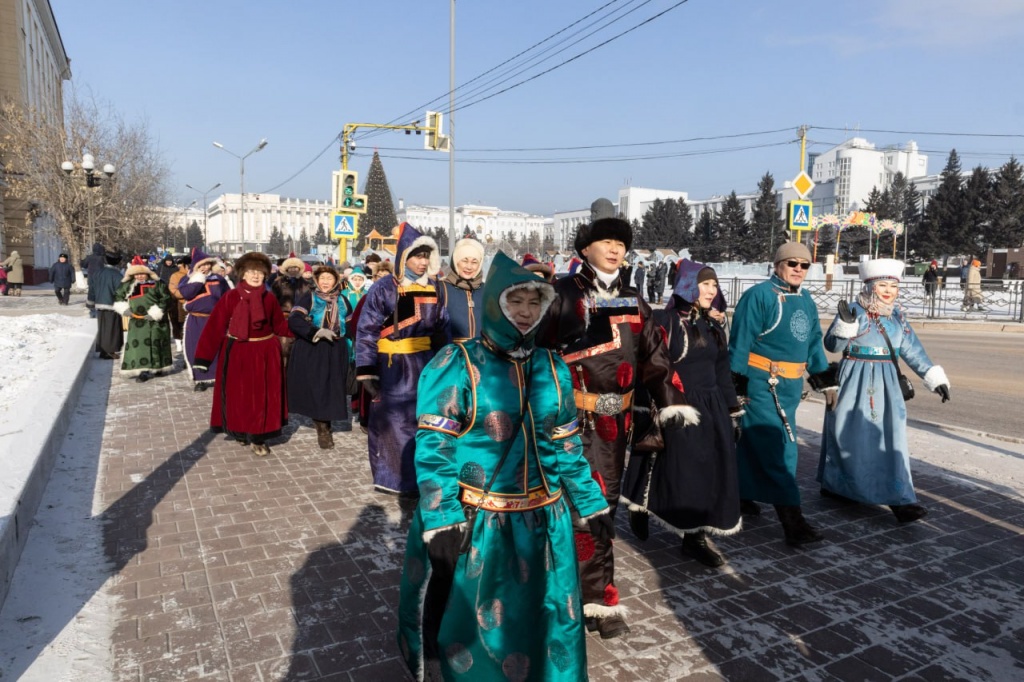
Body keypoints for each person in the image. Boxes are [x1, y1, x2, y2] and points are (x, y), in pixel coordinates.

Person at [396, 252, 611, 681]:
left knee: (547, 624)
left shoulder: (553, 367)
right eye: (517, 303)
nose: (527, 313)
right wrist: (440, 516)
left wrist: (590, 500)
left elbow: (566, 441)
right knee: (481, 640)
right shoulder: (456, 363)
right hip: (481, 524)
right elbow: (435, 444)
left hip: (545, 523)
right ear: (496, 303)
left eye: (535, 303)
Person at [536, 202, 692, 639]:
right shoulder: (564, 293)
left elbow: (654, 356)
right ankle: (557, 593)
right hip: (567, 424)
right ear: (586, 247)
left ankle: (596, 598)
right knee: (559, 508)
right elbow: (537, 356)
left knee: (598, 512)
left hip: (614, 429)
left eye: (621, 244)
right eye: (606, 241)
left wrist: (670, 402)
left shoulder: (633, 296)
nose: (615, 249)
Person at [623, 261, 742, 568]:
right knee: (662, 461)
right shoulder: (666, 320)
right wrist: (656, 406)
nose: (711, 290)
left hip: (711, 407)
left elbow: (722, 371)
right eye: (705, 284)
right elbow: (649, 366)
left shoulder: (713, 326)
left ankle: (695, 538)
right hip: (677, 403)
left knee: (706, 471)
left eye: (714, 285)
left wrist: (733, 411)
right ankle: (640, 505)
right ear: (688, 284)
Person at [818, 259, 951, 523]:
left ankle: (899, 498)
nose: (889, 290)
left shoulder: (898, 317)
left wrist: (934, 378)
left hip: (887, 382)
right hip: (854, 378)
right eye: (882, 285)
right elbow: (832, 345)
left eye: (893, 285)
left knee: (891, 440)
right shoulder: (854, 310)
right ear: (869, 285)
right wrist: (844, 326)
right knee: (850, 436)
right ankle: (839, 487)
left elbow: (912, 350)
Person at [729, 242, 838, 547]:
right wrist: (735, 387)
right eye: (792, 263)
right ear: (777, 264)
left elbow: (815, 340)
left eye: (804, 265)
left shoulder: (805, 300)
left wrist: (823, 379)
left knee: (754, 443)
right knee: (781, 448)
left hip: (790, 389)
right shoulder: (759, 296)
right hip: (763, 385)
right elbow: (740, 342)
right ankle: (792, 521)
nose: (798, 270)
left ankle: (741, 496)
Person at [355, 223, 450, 500]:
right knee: (394, 424)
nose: (422, 262)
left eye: (425, 256)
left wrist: (445, 364)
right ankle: (396, 480)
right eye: (416, 255)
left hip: (426, 363)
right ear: (404, 256)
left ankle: (424, 479)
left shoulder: (437, 288)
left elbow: (443, 329)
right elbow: (366, 331)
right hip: (392, 366)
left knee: (426, 422)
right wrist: (367, 371)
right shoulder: (385, 288)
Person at [193, 252, 293, 457]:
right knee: (239, 395)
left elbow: (280, 325)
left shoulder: (270, 298)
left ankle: (258, 436)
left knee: (262, 396)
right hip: (237, 352)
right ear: (243, 274)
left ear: (265, 275)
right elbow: (215, 326)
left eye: (260, 272)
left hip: (266, 352)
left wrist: (306, 332)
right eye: (251, 272)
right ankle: (239, 429)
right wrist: (203, 359)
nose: (256, 276)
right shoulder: (231, 296)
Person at [287, 265, 352, 449]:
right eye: (322, 278)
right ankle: (323, 428)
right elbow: (294, 320)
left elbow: (352, 324)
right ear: (316, 280)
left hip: (337, 348)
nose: (325, 282)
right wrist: (316, 331)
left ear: (336, 281)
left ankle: (326, 420)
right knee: (318, 386)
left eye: (329, 279)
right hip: (314, 347)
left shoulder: (343, 300)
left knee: (333, 387)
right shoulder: (309, 298)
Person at [178, 248, 232, 392]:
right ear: (196, 266)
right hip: (196, 320)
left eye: (208, 264)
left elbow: (227, 296)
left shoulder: (218, 279)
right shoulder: (188, 279)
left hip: (215, 320)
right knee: (195, 348)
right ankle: (200, 379)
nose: (205, 267)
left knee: (217, 348)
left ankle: (217, 376)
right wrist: (198, 279)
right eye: (202, 265)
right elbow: (186, 293)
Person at [113, 256, 174, 383]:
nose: (140, 276)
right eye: (136, 274)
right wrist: (124, 309)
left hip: (157, 320)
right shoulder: (127, 285)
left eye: (142, 273)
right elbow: (118, 296)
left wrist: (156, 312)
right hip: (137, 322)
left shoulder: (158, 284)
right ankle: (143, 370)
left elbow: (167, 299)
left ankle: (159, 367)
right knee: (140, 346)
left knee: (158, 343)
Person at [440, 237, 485, 341]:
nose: (469, 267)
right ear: (456, 262)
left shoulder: (486, 290)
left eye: (474, 262)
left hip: (481, 354)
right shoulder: (442, 288)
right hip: (451, 354)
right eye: (465, 261)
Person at [271, 254, 312, 368]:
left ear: (300, 269)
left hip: (301, 319)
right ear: (286, 269)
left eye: (296, 267)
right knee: (283, 349)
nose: (293, 270)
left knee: (298, 348)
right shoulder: (278, 283)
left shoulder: (306, 284)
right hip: (284, 318)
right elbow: (273, 301)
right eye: (290, 267)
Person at [92, 249, 125, 359]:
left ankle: (103, 350)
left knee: (102, 328)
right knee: (112, 328)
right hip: (112, 304)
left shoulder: (98, 273)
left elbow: (92, 289)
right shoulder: (117, 275)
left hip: (99, 304)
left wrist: (90, 302)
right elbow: (121, 291)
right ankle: (109, 351)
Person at [167, 255, 191, 353]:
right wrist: (187, 294)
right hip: (178, 303)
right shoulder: (176, 275)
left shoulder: (197, 275)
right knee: (177, 324)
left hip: (193, 304)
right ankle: (178, 343)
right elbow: (173, 290)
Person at [81, 243, 106, 315]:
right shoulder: (103, 257)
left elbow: (84, 265)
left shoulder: (89, 257)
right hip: (101, 277)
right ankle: (100, 307)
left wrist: (82, 262)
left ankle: (91, 309)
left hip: (91, 277)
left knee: (91, 292)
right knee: (100, 292)